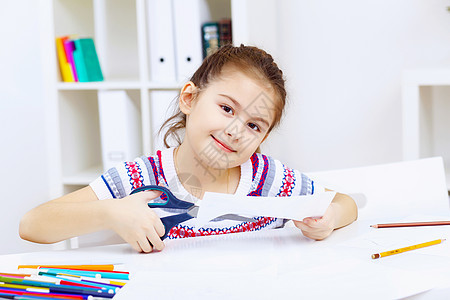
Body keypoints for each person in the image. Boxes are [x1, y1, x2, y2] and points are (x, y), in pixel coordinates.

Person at [20, 44, 358, 253]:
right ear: (189, 99)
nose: (236, 130)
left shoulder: (270, 180)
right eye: (227, 108)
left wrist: (329, 219)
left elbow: (344, 203)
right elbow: (33, 224)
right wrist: (111, 212)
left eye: (254, 125)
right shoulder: (141, 177)